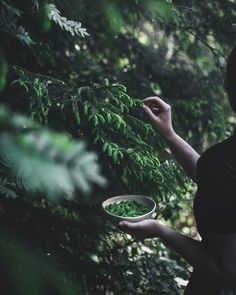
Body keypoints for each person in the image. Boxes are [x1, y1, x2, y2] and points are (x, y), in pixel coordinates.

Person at [118, 46, 236, 294]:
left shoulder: (221, 161)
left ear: (230, 88)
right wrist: (169, 135)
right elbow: (222, 185)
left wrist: (161, 230)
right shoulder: (219, 165)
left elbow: (224, 272)